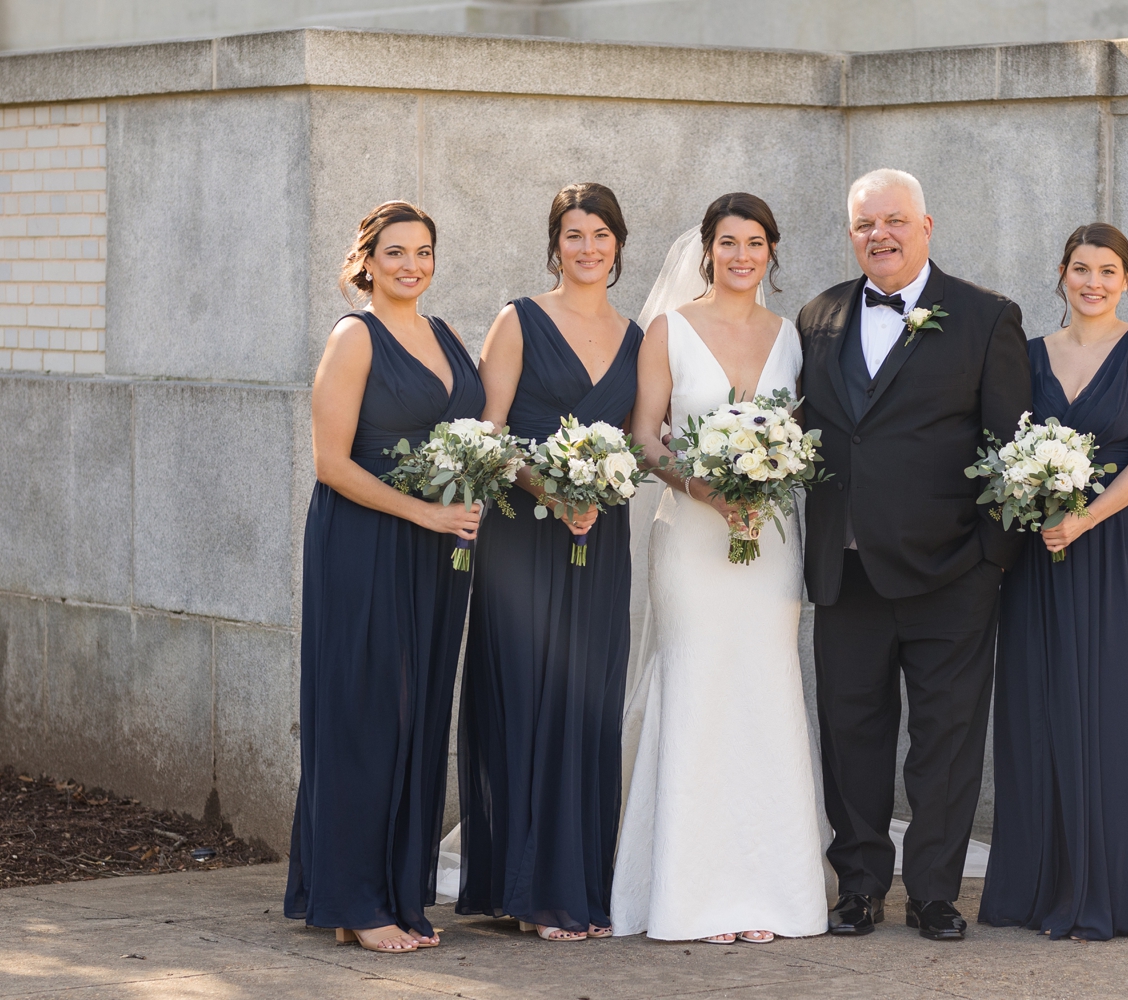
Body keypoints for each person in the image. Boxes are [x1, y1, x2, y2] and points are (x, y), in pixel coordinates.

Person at [797, 169, 1031, 941]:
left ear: (927, 225)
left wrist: (990, 558)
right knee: (852, 739)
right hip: (848, 571)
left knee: (946, 741)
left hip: (952, 573)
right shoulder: (818, 314)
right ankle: (859, 885)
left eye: (894, 221)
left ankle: (934, 891)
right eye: (865, 224)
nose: (880, 236)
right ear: (851, 233)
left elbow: (1010, 446)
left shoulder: (985, 316)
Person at [612, 193, 828, 944]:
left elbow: (800, 437)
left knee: (764, 696)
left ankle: (768, 891)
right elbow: (645, 437)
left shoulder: (791, 336)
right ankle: (692, 894)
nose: (743, 255)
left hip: (768, 545)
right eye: (729, 242)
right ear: (706, 249)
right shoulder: (668, 330)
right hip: (691, 540)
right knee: (699, 692)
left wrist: (764, 484)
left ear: (772, 250)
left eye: (757, 242)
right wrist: (705, 488)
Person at [979, 223, 1128, 941]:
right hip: (1041, 552)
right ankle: (1041, 887)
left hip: (1114, 547)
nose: (1093, 282)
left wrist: (1085, 518)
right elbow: (1005, 445)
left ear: (1127, 279)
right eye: (1080, 269)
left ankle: (1120, 890)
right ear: (1061, 274)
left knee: (1114, 707)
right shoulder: (1031, 353)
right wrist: (1037, 502)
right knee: (1039, 708)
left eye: (1107, 270)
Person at [284, 201, 485, 954]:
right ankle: (352, 900)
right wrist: (426, 515)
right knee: (364, 713)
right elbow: (331, 464)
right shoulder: (353, 338)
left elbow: (471, 437)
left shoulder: (447, 335)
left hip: (437, 553)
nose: (412, 265)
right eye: (396, 252)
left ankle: (394, 892)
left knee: (418, 717)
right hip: (366, 544)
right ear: (366, 261)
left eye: (424, 251)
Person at [457, 183, 642, 942]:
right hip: (524, 538)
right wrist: (550, 487)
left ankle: (579, 885)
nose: (588, 247)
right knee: (529, 696)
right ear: (554, 244)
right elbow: (487, 433)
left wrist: (601, 489)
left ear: (619, 246)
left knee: (587, 706)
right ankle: (529, 889)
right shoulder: (520, 319)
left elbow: (639, 438)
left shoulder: (638, 335)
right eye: (574, 235)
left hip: (601, 537)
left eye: (601, 234)